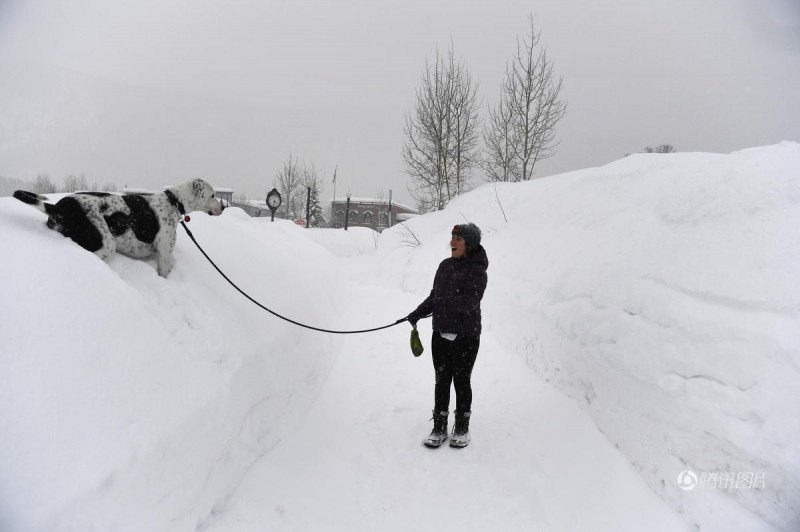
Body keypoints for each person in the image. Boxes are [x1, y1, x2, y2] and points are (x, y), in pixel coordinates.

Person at [406, 223, 488, 448]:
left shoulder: (477, 270)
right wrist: (417, 313)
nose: (452, 242)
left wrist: (440, 303)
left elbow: (469, 302)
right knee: (441, 380)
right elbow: (435, 296)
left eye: (458, 239)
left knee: (461, 381)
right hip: (440, 333)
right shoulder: (444, 266)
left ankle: (462, 427)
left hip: (466, 335)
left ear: (469, 244)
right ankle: (439, 426)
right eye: (452, 237)